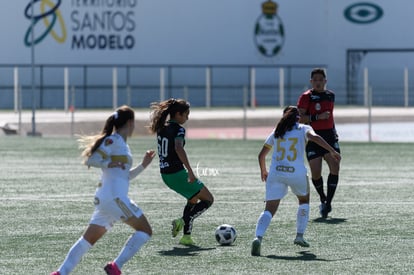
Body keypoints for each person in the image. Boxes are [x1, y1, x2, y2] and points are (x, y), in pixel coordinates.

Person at [51, 105, 155, 275]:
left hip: (106, 199)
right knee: (145, 230)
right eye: (134, 123)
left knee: (87, 240)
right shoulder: (113, 140)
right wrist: (109, 163)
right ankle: (116, 267)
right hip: (115, 198)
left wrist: (143, 165)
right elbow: (91, 160)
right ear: (130, 123)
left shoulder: (121, 144)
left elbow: (124, 176)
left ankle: (61, 272)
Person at [251, 106, 341, 256]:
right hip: (296, 173)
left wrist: (264, 171)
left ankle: (258, 238)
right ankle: (299, 236)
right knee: (304, 201)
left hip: (276, 173)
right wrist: (332, 150)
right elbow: (316, 138)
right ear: (298, 117)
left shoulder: (277, 132)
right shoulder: (303, 128)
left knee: (269, 209)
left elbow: (261, 155)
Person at [148, 98, 214, 246]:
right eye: (186, 114)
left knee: (192, 199)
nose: (187, 118)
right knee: (208, 199)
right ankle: (182, 221)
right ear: (178, 114)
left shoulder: (162, 127)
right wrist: (190, 171)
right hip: (177, 173)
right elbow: (178, 148)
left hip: (165, 174)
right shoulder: (178, 129)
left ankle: (186, 237)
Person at [297, 68, 341, 218]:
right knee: (316, 172)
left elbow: (330, 117)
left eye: (320, 80)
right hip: (313, 137)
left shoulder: (330, 96)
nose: (317, 82)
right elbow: (299, 119)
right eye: (314, 80)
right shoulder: (306, 97)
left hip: (329, 136)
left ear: (325, 81)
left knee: (335, 166)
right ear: (311, 82)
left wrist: (334, 131)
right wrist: (318, 117)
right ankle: (322, 197)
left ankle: (328, 202)